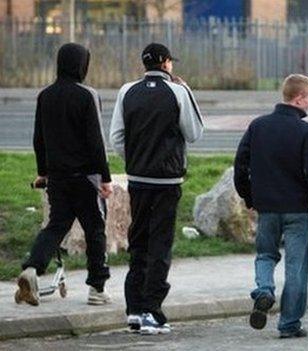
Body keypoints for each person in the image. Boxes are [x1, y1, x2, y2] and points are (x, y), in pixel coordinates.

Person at [109, 43, 204, 335]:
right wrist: (189, 92)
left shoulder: (127, 91)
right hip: (167, 180)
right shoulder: (178, 92)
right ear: (164, 63)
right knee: (160, 246)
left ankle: (134, 310)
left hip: (138, 180)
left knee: (138, 241)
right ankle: (152, 310)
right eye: (170, 61)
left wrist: (137, 160)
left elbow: (116, 137)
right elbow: (194, 132)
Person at [14, 43, 113, 307]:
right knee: (95, 229)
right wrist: (105, 178)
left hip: (57, 177)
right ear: (82, 65)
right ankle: (97, 288)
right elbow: (96, 140)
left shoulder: (45, 95)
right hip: (85, 178)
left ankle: (31, 269)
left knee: (56, 226)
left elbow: (39, 139)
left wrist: (43, 173)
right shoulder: (87, 95)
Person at [234, 73, 308, 339]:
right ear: (299, 98)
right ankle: (289, 324)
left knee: (265, 254)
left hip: (267, 208)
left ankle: (264, 290)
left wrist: (249, 198)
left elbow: (240, 166)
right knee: (296, 266)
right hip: (297, 210)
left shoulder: (258, 126)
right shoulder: (304, 131)